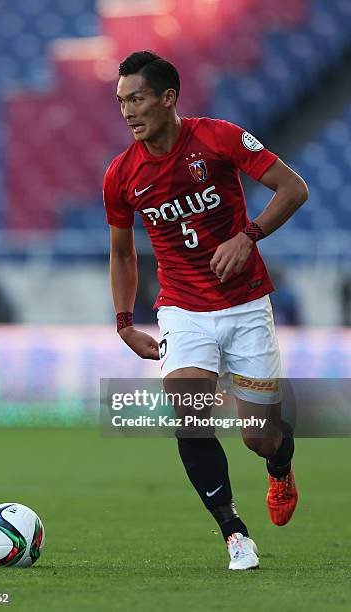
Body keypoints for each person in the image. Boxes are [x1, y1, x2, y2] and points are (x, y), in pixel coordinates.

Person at [103, 51, 308, 570]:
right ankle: (233, 533)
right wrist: (125, 321)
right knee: (191, 416)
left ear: (168, 98)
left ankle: (280, 466)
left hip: (244, 303)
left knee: (260, 437)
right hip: (182, 309)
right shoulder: (122, 175)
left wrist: (248, 236)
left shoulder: (218, 137)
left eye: (137, 98)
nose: (128, 111)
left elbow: (294, 188)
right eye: (121, 101)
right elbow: (123, 253)